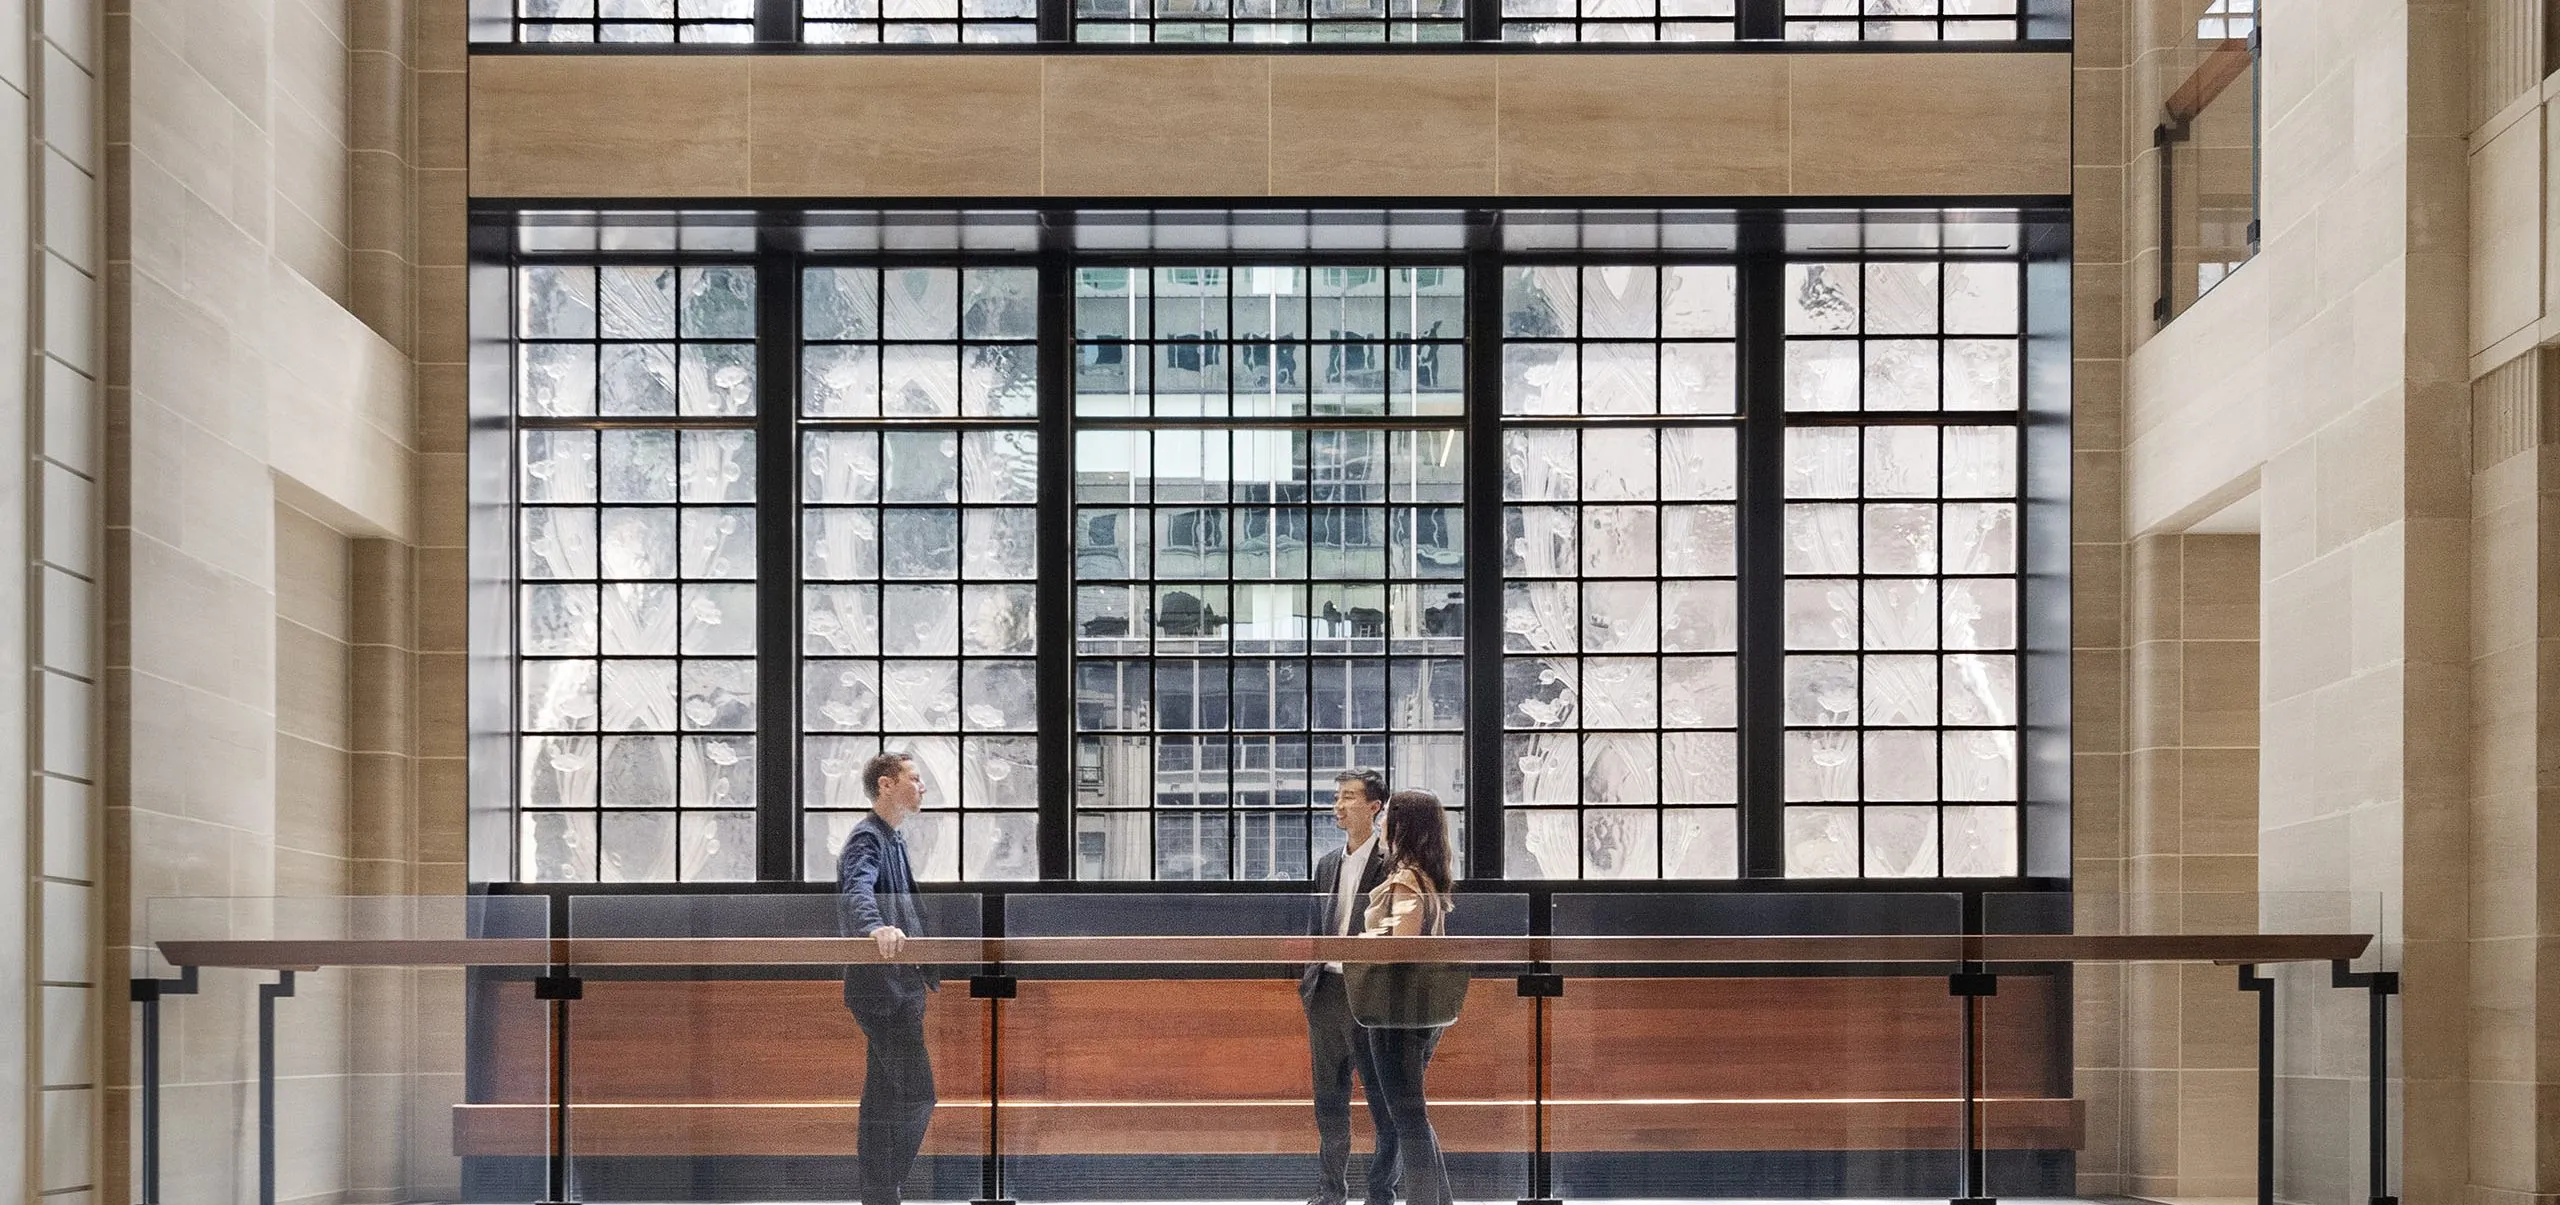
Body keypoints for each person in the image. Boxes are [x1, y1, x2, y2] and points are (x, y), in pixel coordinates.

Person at [838, 750, 936, 1205]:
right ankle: (882, 1187)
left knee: (881, 1099)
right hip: (883, 990)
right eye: (914, 779)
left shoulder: (892, 838)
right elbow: (857, 889)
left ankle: (879, 1192)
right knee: (917, 1093)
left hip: (901, 985)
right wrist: (875, 928)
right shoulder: (867, 838)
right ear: (886, 784)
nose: (922, 787)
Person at [1300, 769, 1399, 1205]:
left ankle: (1381, 1193)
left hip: (1371, 996)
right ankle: (1330, 1193)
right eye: (1337, 797)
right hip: (1326, 992)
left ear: (1375, 807)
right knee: (1329, 1098)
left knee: (1383, 1103)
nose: (1338, 806)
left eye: (1350, 798)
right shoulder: (1326, 864)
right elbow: (1317, 929)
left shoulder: (1393, 864)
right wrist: (1310, 981)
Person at [1360, 791, 1459, 1205]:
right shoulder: (1428, 880)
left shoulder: (1406, 883)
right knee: (1413, 1116)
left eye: (1386, 818)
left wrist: (1362, 947)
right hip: (1419, 1014)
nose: (1380, 825)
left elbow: (1400, 950)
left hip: (1395, 1014)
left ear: (1401, 827)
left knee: (1408, 1119)